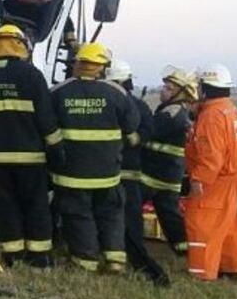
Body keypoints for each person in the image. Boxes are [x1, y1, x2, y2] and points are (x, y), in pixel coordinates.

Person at [0, 24, 63, 267]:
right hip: (31, 160)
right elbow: (46, 119)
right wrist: (57, 151)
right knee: (36, 206)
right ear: (20, 45)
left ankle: (12, 255)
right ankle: (39, 257)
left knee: (5, 207)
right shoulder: (32, 76)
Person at [50, 43, 139, 273]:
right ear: (102, 67)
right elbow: (132, 129)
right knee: (111, 213)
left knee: (79, 214)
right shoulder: (117, 93)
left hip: (72, 172)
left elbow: (47, 126)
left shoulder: (59, 92)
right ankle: (115, 260)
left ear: (78, 64)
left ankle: (85, 260)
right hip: (107, 172)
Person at [106, 59, 169, 285]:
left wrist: (124, 141)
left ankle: (114, 256)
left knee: (108, 216)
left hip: (109, 171)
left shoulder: (108, 102)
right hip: (129, 172)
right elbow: (148, 131)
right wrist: (133, 140)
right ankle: (133, 258)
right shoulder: (138, 105)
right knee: (130, 219)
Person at [183, 63, 237, 282]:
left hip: (214, 180)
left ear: (206, 88)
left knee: (202, 224)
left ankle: (203, 274)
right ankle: (230, 267)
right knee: (227, 225)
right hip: (231, 177)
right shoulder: (229, 109)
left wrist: (198, 179)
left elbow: (211, 156)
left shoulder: (211, 115)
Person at [140, 66, 196, 255]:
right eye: (164, 86)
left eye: (169, 88)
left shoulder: (172, 113)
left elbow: (149, 131)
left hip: (155, 174)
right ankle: (184, 250)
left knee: (127, 206)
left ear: (180, 93)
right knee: (170, 216)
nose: (163, 90)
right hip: (168, 173)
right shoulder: (175, 110)